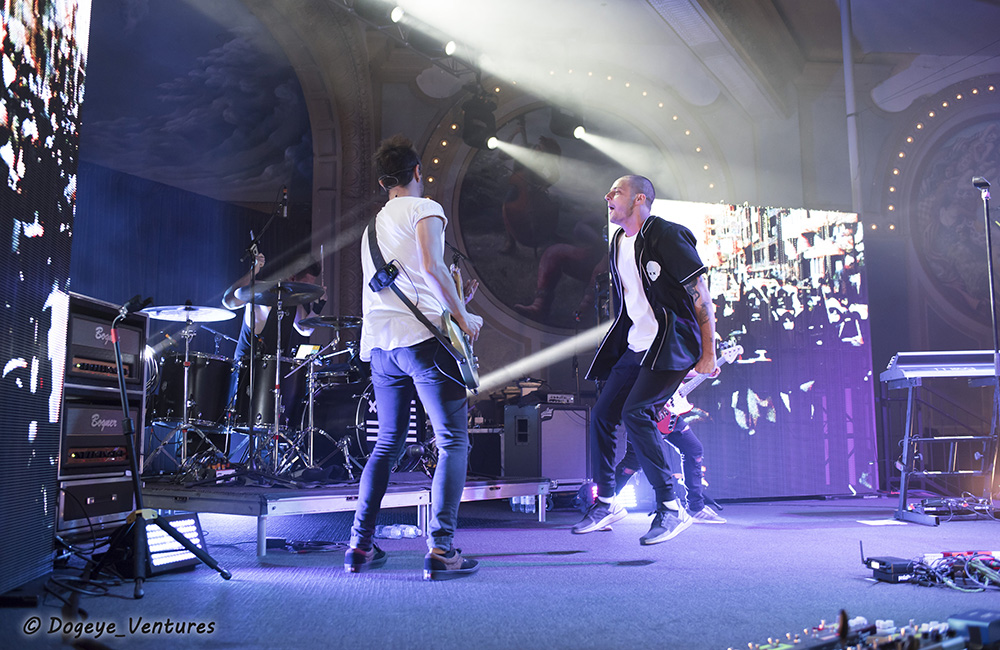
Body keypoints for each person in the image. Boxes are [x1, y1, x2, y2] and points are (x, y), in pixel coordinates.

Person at [345, 134, 483, 580]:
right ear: (418, 173)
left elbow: (407, 280)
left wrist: (454, 299)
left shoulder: (372, 227)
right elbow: (432, 268)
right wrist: (464, 317)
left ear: (386, 180)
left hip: (382, 349)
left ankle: (360, 547)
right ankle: (441, 550)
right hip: (423, 343)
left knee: (387, 443)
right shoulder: (426, 208)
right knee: (452, 441)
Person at [574, 175, 717, 544]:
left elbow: (700, 292)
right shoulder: (619, 241)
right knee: (603, 416)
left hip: (671, 344)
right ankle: (607, 502)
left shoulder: (667, 234)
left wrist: (708, 353)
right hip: (636, 345)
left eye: (616, 191)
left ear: (639, 199)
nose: (607, 195)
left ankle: (671, 507)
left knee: (636, 413)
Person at [221, 254, 323, 440]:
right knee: (245, 422)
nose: (303, 291)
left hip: (272, 369)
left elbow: (304, 329)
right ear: (292, 278)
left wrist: (317, 307)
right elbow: (228, 301)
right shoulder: (262, 291)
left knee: (271, 422)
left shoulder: (292, 299)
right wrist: (253, 272)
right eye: (304, 285)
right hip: (248, 366)